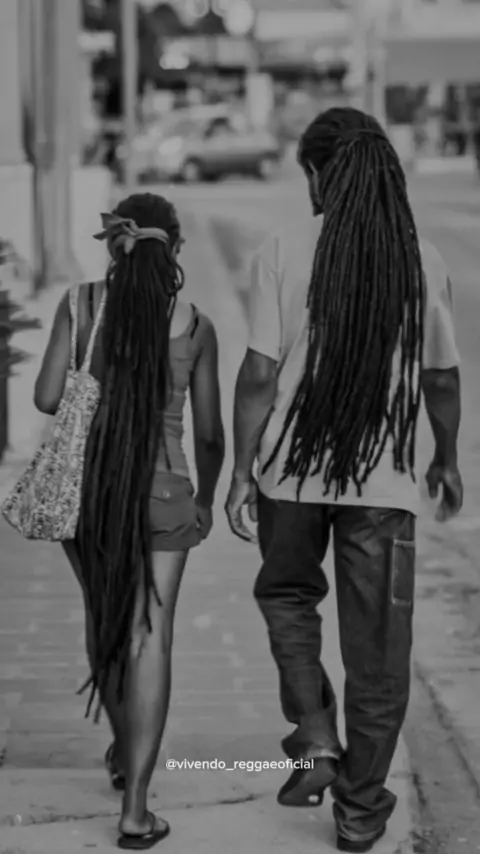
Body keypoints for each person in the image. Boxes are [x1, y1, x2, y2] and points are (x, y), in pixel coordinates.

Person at [225, 107, 463, 853]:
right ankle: (360, 811)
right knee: (379, 651)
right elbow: (441, 376)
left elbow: (258, 372)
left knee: (287, 596)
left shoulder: (283, 248)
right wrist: (445, 455)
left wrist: (241, 469)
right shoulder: (418, 257)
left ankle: (316, 733)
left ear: (319, 173)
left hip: (291, 476)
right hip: (382, 487)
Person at [34, 193, 225, 850]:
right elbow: (209, 433)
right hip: (165, 494)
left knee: (106, 619)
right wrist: (207, 498)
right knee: (152, 637)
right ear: (174, 249)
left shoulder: (81, 304)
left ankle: (122, 747)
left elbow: (47, 396)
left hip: (90, 493)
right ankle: (137, 808)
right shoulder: (195, 325)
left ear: (115, 244)